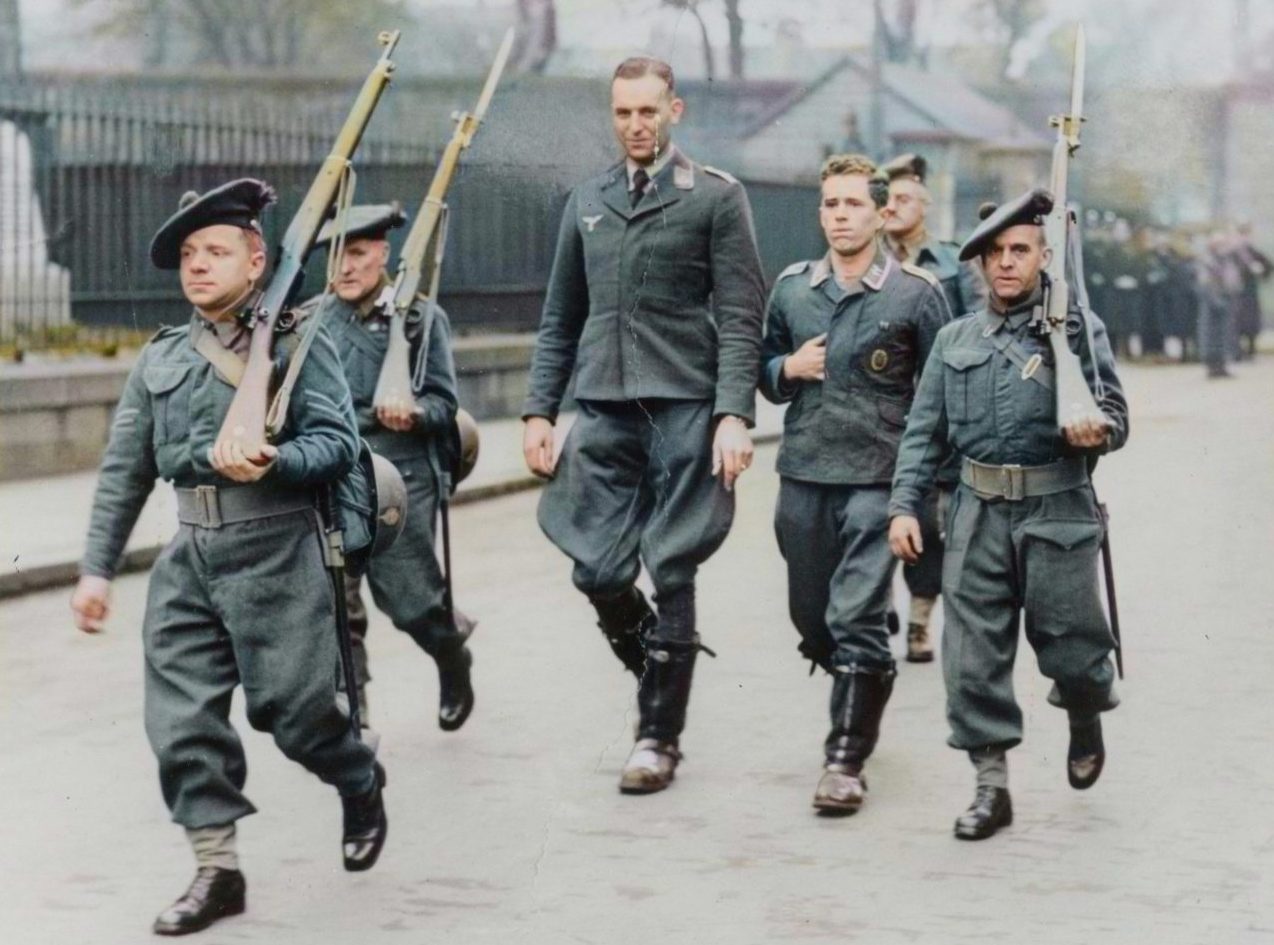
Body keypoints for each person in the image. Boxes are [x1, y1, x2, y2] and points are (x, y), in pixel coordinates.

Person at [70, 180, 388, 935]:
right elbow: (126, 471)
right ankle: (217, 868)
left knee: (297, 714)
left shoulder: (301, 342)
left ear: (257, 260)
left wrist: (272, 460)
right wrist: (95, 569)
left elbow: (340, 445)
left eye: (216, 251)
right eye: (188, 254)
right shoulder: (162, 360)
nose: (198, 266)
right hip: (191, 557)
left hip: (279, 551)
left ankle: (357, 776)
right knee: (180, 720)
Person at [522, 56, 765, 794]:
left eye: (648, 112)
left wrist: (732, 413)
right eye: (623, 112)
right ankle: (661, 663)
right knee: (596, 566)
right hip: (602, 408)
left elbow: (740, 317)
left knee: (675, 561)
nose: (635, 126)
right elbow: (561, 317)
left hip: (684, 408)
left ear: (675, 112)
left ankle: (658, 735)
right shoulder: (587, 200)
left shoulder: (716, 198)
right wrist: (540, 409)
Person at [888, 189, 1129, 841]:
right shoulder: (954, 338)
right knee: (970, 658)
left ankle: (1084, 711)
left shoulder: (1077, 328)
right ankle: (991, 787)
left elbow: (1117, 416)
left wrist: (1095, 431)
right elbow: (922, 432)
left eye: (1019, 249)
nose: (1005, 262)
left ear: (1044, 255)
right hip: (977, 514)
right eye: (994, 252)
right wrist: (905, 504)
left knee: (1075, 648)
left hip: (1059, 511)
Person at [760, 154, 949, 814]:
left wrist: (920, 491)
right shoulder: (791, 288)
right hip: (805, 472)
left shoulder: (917, 293)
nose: (840, 215)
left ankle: (845, 759)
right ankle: (865, 657)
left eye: (853, 205)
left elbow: (937, 396)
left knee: (855, 617)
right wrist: (788, 365)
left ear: (879, 213)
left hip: (877, 478)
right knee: (811, 619)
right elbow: (763, 367)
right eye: (830, 205)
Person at [305, 203, 476, 733]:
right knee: (336, 601)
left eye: (358, 254)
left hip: (400, 475)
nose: (346, 269)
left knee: (410, 602)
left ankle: (451, 655)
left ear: (382, 254)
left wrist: (415, 412)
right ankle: (353, 717)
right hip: (331, 474)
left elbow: (446, 405)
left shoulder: (420, 318)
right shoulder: (311, 321)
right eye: (337, 258)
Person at [879, 152, 986, 662]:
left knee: (925, 518)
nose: (893, 207)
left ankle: (919, 623)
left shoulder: (953, 261)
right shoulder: (866, 257)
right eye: (888, 198)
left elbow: (978, 327)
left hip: (931, 410)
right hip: (875, 410)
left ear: (924, 205)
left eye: (903, 198)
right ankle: (875, 604)